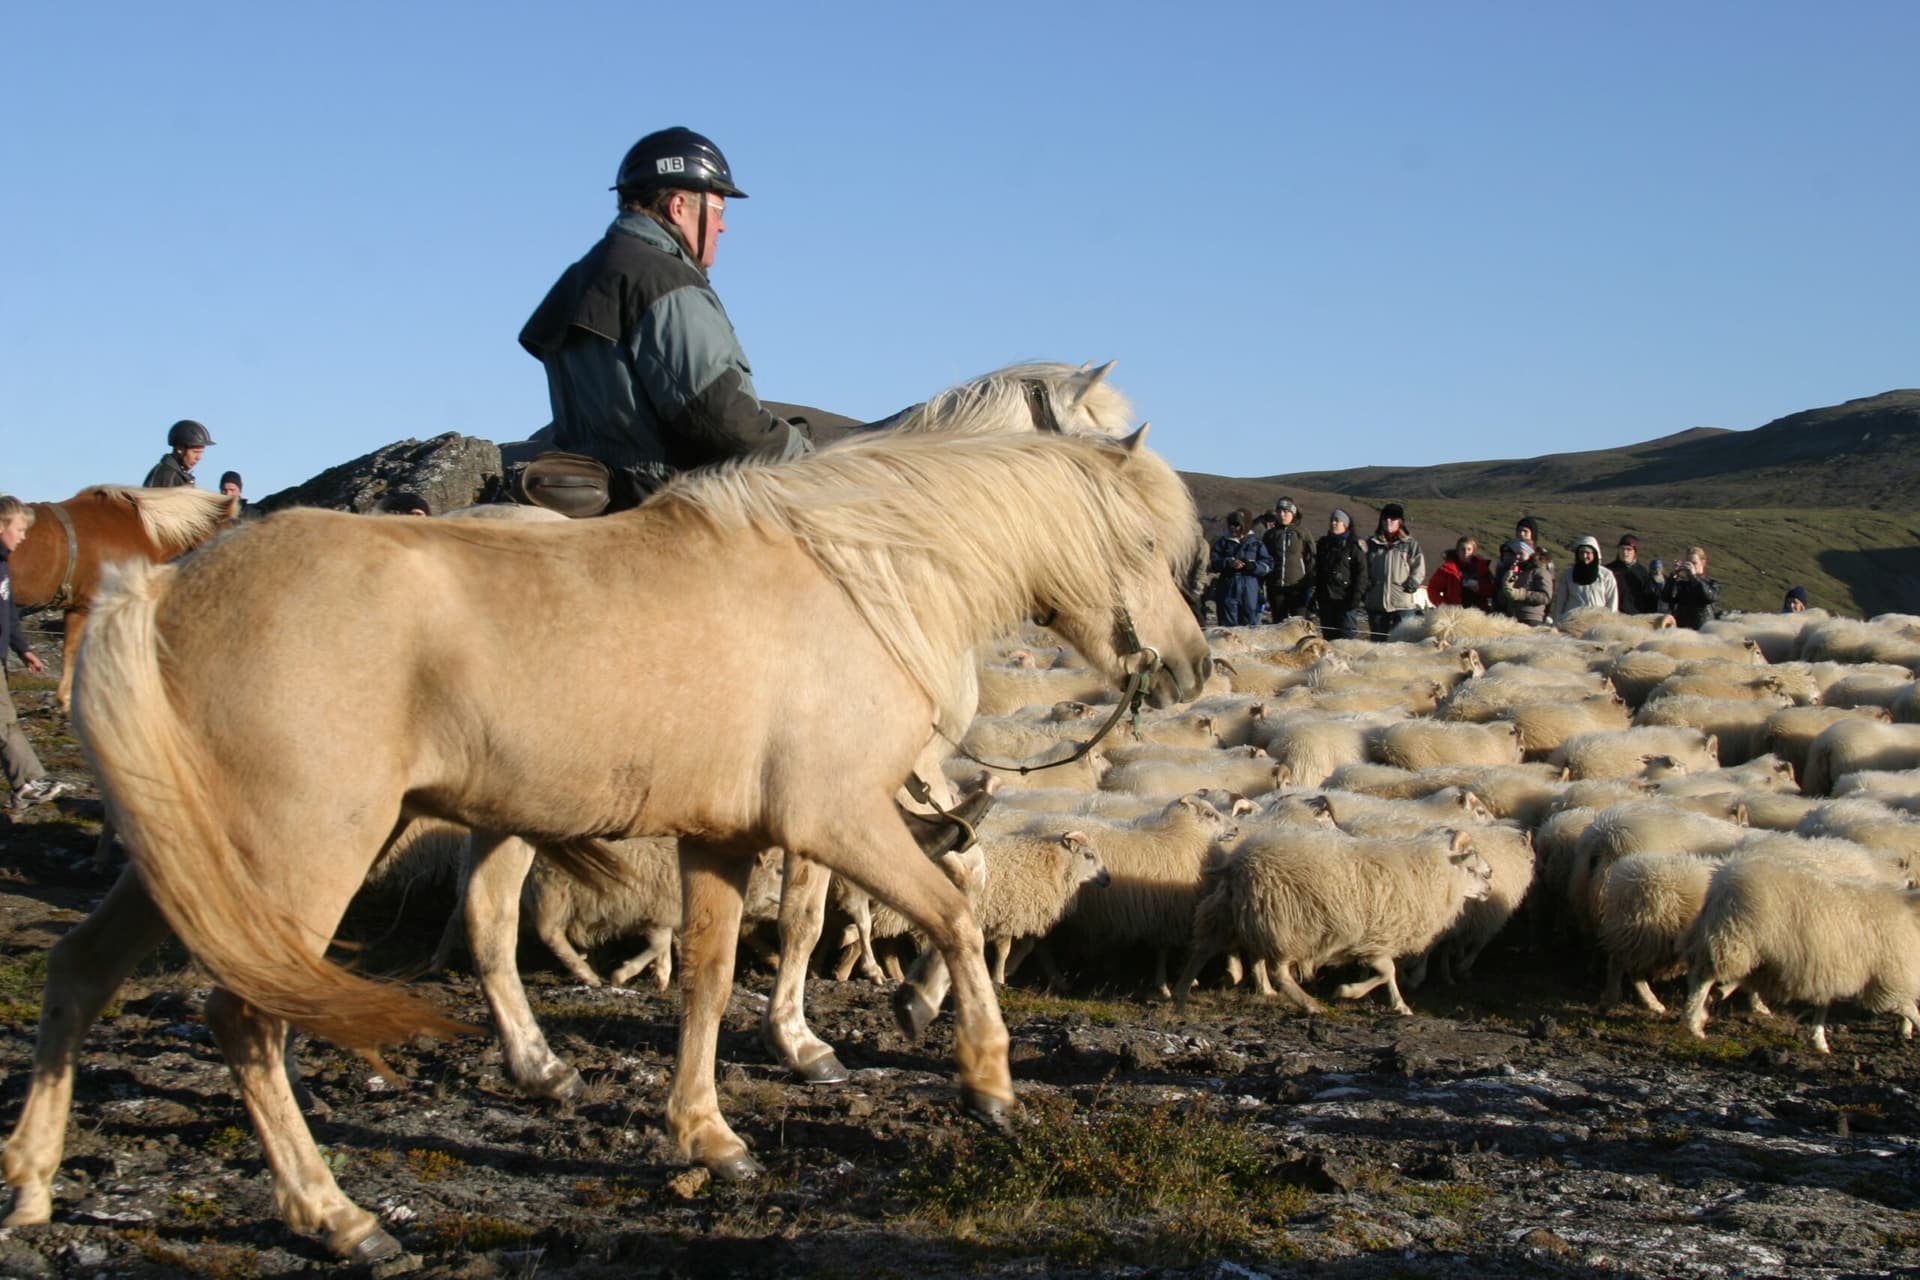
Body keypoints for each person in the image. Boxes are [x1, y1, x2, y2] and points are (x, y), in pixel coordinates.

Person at [519, 127, 810, 510]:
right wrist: (807, 457)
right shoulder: (661, 279)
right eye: (719, 210)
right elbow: (718, 416)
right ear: (678, 207)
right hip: (666, 506)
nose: (723, 225)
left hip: (591, 499)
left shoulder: (584, 276)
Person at [1, 497, 70, 810]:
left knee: (6, 721)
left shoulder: (3, 565)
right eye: (19, 529)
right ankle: (27, 782)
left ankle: (24, 786)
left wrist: (24, 649)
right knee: (3, 722)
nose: (23, 536)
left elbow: (9, 614)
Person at [1364, 502, 1425, 640]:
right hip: (1376, 602)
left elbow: (1419, 566)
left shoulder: (1410, 544)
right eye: (1385, 518)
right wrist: (1366, 584)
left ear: (1400, 522)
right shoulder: (1371, 544)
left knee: (1403, 645)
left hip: (1402, 603)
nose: (1388, 522)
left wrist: (1413, 582)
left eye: (1393, 519)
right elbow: (1363, 567)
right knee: (1378, 644)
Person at [1208, 509, 1271, 626]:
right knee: (1228, 628)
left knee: (1249, 626)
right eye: (1231, 524)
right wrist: (1228, 563)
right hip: (1227, 586)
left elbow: (1267, 565)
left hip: (1249, 587)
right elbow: (1213, 563)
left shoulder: (1256, 544)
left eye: (1237, 525)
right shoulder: (1223, 542)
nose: (1233, 528)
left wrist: (1253, 566)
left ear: (1245, 525)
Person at [1314, 508, 1369, 641]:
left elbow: (1361, 573)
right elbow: (1318, 570)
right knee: (1329, 639)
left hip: (1346, 600)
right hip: (1326, 599)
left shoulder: (1354, 547)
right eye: (1332, 520)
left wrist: (1356, 597)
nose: (1333, 523)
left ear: (1345, 524)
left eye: (1337, 521)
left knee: (1347, 639)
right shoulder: (1323, 544)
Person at [1261, 497, 1314, 622]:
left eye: (1286, 511)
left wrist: (1309, 581)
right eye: (1279, 511)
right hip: (1275, 586)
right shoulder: (1270, 535)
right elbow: (1264, 558)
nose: (1282, 515)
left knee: (1299, 624)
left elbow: (1311, 558)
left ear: (1293, 513)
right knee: (1278, 624)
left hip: (1297, 586)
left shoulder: (1302, 533)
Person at [1552, 535, 1619, 618]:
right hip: (1571, 622)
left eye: (1588, 553)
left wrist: (1610, 623)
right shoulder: (1568, 574)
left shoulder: (1606, 575)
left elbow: (1612, 602)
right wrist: (1557, 621)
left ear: (1594, 554)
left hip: (1597, 622)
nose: (1584, 556)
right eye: (1581, 552)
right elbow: (1561, 601)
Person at [142, 419, 214, 488]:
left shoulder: (179, 475)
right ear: (179, 449)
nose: (198, 458)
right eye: (195, 452)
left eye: (201, 452)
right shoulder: (167, 476)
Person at [1663, 545, 1722, 629]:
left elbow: (1709, 597)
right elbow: (1667, 598)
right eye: (1688, 563)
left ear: (1703, 563)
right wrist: (1674, 576)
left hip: (1704, 629)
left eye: (1694, 563)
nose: (1690, 566)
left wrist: (1694, 577)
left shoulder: (1712, 583)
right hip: (1683, 630)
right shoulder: (1683, 584)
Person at [1497, 538, 1553, 625]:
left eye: (1521, 553)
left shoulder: (1540, 572)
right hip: (1512, 619)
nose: (1517, 556)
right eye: (1516, 553)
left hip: (1531, 619)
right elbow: (1509, 589)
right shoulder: (1516, 572)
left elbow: (1545, 597)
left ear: (1530, 553)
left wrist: (1522, 594)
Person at [1427, 535, 1492, 610]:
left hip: (1479, 612)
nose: (1466, 552)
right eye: (1462, 549)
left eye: (1469, 549)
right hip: (1456, 612)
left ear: (1473, 551)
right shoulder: (1446, 569)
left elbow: (1491, 591)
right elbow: (1433, 589)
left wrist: (1479, 588)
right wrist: (1445, 607)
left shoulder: (1482, 568)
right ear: (1457, 551)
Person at [1606, 534, 1660, 615]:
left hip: (1635, 618)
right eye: (1622, 548)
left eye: (1629, 549)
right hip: (1612, 616)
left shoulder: (1642, 573)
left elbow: (1650, 600)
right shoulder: (1608, 571)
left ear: (1635, 552)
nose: (1625, 552)